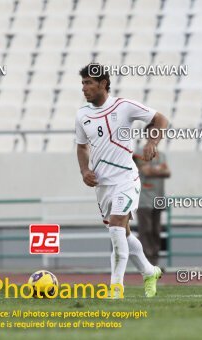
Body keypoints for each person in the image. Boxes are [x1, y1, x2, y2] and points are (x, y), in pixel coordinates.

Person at [75, 63, 169, 298]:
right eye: (83, 83)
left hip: (126, 178)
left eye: (89, 83)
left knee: (116, 228)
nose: (84, 88)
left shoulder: (123, 106)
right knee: (124, 234)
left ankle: (116, 288)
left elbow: (160, 119)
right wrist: (84, 170)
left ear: (103, 84)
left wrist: (151, 142)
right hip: (102, 185)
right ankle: (149, 271)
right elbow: (81, 147)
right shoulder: (82, 115)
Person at [134, 147, 170, 266]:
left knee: (156, 231)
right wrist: (159, 169)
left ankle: (154, 264)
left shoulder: (162, 155)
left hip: (158, 199)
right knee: (146, 231)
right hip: (143, 199)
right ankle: (145, 264)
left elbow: (168, 173)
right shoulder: (139, 153)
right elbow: (146, 172)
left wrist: (154, 170)